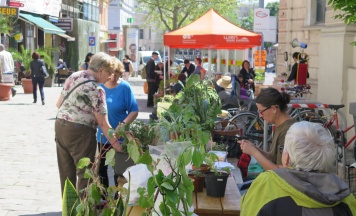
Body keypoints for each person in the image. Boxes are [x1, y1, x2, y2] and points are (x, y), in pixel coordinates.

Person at [241, 121, 356, 216]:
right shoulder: (346, 197)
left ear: (286, 158)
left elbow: (247, 211)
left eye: (282, 150)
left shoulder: (266, 185)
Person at [55, 52, 123, 196]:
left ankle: (69, 210)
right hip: (81, 132)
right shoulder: (97, 89)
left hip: (60, 126)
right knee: (86, 175)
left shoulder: (74, 76)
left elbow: (58, 103)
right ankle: (85, 210)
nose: (111, 77)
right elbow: (103, 124)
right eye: (110, 73)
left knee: (66, 175)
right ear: (101, 71)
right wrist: (118, 146)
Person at [96, 57, 138, 188]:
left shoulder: (125, 87)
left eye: (118, 74)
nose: (114, 77)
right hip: (103, 136)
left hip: (120, 136)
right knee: (102, 169)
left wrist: (123, 124)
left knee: (119, 171)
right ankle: (105, 199)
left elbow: (134, 110)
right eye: (112, 74)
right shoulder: (99, 87)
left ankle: (119, 197)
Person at [239, 87, 296, 171]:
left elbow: (282, 171)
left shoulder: (287, 131)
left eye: (261, 111)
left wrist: (254, 152)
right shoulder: (280, 125)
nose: (260, 115)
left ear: (273, 109)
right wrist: (253, 148)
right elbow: (272, 157)